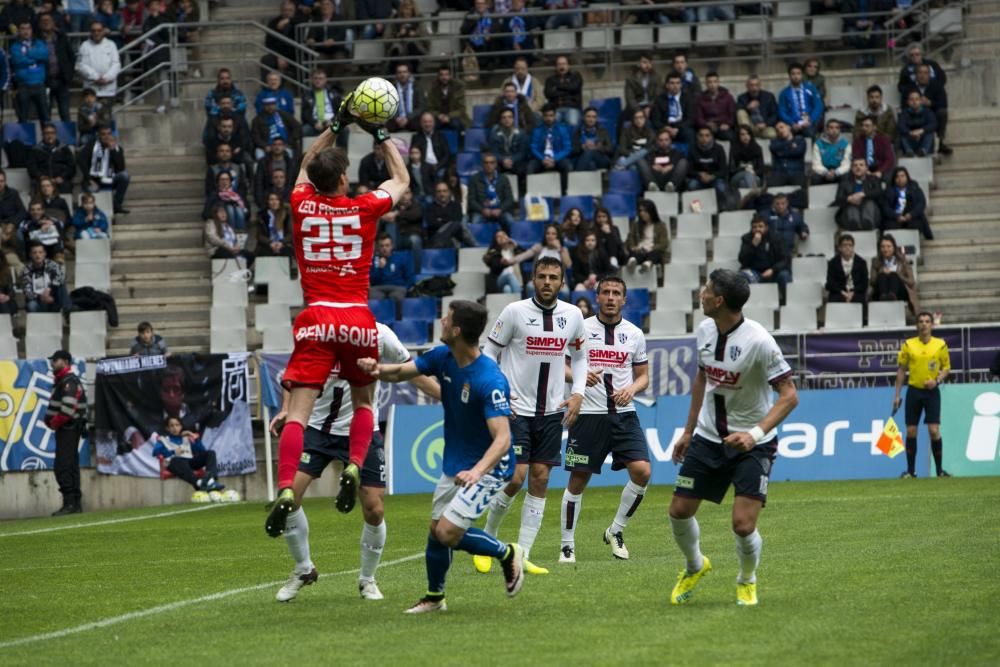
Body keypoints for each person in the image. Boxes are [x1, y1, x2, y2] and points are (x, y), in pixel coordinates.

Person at [265, 97, 410, 536]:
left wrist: (337, 123)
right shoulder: (364, 207)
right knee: (365, 402)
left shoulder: (300, 202)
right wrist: (380, 135)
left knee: (297, 417)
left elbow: (308, 161)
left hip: (315, 318)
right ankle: (354, 464)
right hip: (356, 318)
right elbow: (401, 179)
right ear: (344, 178)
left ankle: (288, 487)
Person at [359, 300, 528, 613]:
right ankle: (435, 598)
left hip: (489, 467)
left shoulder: (488, 379)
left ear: (457, 329)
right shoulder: (443, 356)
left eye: (447, 317)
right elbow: (401, 372)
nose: (441, 320)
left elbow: (503, 439)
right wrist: (377, 369)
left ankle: (506, 553)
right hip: (456, 463)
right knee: (436, 529)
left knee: (448, 532)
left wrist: (477, 471)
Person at [270, 322, 440, 603]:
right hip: (317, 429)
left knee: (374, 509)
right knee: (288, 498)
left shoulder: (379, 333)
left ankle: (367, 579)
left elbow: (410, 370)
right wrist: (287, 410)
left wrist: (448, 398)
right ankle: (303, 568)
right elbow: (293, 376)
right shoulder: (315, 332)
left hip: (362, 431)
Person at [668, 268, 798, 607]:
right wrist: (688, 431)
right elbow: (701, 380)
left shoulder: (759, 341)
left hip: (753, 444)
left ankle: (746, 579)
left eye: (708, 288)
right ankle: (696, 565)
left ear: (719, 300)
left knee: (742, 525)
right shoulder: (704, 331)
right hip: (709, 437)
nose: (702, 292)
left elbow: (789, 396)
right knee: (678, 511)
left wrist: (754, 435)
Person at [476, 257, 588, 575]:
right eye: (542, 277)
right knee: (515, 477)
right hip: (516, 409)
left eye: (554, 277)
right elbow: (489, 353)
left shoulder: (573, 315)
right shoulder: (514, 312)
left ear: (562, 281)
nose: (548, 282)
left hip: (552, 411)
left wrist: (577, 393)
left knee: (541, 478)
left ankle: (521, 554)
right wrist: (497, 393)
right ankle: (487, 540)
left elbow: (580, 358)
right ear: (532, 279)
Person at [559, 275, 649, 563]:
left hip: (623, 415)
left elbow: (644, 376)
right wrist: (580, 377)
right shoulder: (580, 328)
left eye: (616, 293)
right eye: (606, 292)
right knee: (578, 481)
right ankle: (567, 545)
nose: (611, 297)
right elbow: (560, 365)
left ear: (624, 299)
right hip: (587, 415)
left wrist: (632, 389)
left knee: (642, 472)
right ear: (597, 297)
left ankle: (615, 530)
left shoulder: (635, 334)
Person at [893, 312, 951, 478]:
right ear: (917, 325)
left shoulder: (940, 345)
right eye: (921, 321)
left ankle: (939, 471)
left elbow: (946, 368)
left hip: (932, 392)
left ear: (932, 325)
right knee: (911, 431)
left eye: (927, 321)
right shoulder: (909, 345)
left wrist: (937, 380)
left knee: (933, 430)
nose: (924, 324)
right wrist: (897, 395)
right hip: (914, 391)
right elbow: (902, 369)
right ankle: (911, 472)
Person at [44, 349, 88, 516]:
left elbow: (67, 410)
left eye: (55, 360)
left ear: (65, 362)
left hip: (68, 428)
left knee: (62, 466)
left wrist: (54, 423)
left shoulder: (68, 382)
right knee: (70, 465)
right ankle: (74, 503)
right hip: (70, 428)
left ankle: (70, 503)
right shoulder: (65, 380)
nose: (52, 363)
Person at [152, 416, 224, 491]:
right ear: (167, 428)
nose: (175, 428)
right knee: (176, 460)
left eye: (177, 425)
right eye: (172, 425)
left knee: (210, 453)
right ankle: (199, 483)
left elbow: (201, 451)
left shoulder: (186, 438)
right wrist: (173, 452)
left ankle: (210, 480)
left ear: (181, 427)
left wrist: (194, 437)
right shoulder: (163, 440)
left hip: (189, 463)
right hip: (174, 463)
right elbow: (155, 452)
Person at [78, 125, 130, 214]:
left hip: (110, 178)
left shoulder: (117, 148)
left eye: (109, 134)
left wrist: (113, 150)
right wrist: (89, 179)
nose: (106, 136)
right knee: (91, 190)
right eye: (103, 134)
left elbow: (121, 168)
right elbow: (81, 160)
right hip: (93, 179)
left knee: (124, 176)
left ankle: (116, 205)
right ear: (99, 135)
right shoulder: (91, 146)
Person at [527, 104, 573, 195]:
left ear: (555, 116)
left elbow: (567, 148)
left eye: (551, 115)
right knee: (530, 168)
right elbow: (533, 147)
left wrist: (554, 159)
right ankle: (532, 194)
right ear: (543, 117)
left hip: (557, 158)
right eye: (546, 116)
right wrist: (543, 159)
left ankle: (564, 192)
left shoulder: (562, 129)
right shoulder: (537, 130)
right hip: (541, 158)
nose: (549, 118)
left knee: (568, 166)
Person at [10, 20, 50, 123]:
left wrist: (28, 53)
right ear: (19, 31)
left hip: (39, 84)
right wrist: (36, 57)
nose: (26, 31)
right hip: (23, 85)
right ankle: (24, 139)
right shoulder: (15, 46)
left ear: (32, 30)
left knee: (45, 117)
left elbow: (45, 55)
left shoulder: (39, 43)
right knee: (23, 118)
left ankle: (47, 137)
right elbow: (18, 61)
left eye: (28, 28)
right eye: (23, 29)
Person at [38, 12, 74, 122]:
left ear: (53, 23)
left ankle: (68, 138)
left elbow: (71, 57)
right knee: (45, 113)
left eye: (48, 20)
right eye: (43, 21)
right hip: (45, 82)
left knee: (65, 113)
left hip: (61, 80)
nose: (46, 23)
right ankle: (47, 138)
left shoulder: (62, 37)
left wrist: (68, 75)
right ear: (39, 24)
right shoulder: (36, 40)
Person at [869, 234, 918, 313]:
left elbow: (911, 282)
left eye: (888, 246)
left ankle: (892, 295)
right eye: (883, 246)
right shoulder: (876, 261)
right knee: (882, 275)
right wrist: (881, 272)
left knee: (893, 275)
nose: (885, 249)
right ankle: (884, 297)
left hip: (900, 292)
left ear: (894, 248)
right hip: (880, 293)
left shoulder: (903, 261)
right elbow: (872, 281)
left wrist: (898, 275)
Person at [739, 215, 790, 291]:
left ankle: (782, 300)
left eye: (760, 226)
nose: (757, 229)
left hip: (774, 271)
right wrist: (753, 245)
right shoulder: (747, 238)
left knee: (784, 275)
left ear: (766, 227)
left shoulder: (776, 237)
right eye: (754, 227)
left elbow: (785, 259)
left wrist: (773, 269)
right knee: (741, 276)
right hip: (755, 272)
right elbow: (742, 260)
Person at [468, 152, 516, 231]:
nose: (489, 165)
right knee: (475, 222)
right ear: (482, 165)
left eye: (491, 162)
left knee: (510, 220)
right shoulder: (474, 179)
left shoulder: (503, 179)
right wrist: (482, 210)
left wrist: (500, 209)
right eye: (486, 163)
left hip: (500, 210)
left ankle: (511, 242)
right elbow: (471, 200)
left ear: (496, 164)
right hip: (481, 211)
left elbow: (509, 199)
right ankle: (476, 243)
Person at [75, 21, 120, 104]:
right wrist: (95, 77)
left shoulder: (111, 44)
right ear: (90, 32)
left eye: (99, 30)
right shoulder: (85, 45)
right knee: (90, 116)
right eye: (94, 31)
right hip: (90, 90)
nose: (96, 33)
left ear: (103, 31)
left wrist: (106, 78)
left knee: (106, 115)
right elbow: (80, 65)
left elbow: (116, 64)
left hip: (108, 89)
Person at [881, 167, 931, 240]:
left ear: (907, 177)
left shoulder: (914, 187)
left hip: (911, 216)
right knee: (889, 226)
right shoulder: (889, 190)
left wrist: (911, 214)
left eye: (902, 176)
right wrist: (896, 216)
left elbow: (921, 203)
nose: (900, 179)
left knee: (916, 224)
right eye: (897, 176)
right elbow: (885, 207)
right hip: (894, 218)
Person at [425, 181, 476, 249]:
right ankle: (474, 246)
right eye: (439, 191)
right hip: (436, 236)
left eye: (444, 191)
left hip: (451, 237)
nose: (442, 194)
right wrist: (449, 222)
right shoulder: (430, 207)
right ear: (435, 193)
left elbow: (457, 220)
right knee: (455, 229)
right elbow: (432, 224)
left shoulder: (456, 205)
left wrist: (441, 219)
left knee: (455, 231)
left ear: (449, 192)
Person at [835, 158, 883, 231]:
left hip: (871, 212)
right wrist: (849, 198)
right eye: (855, 165)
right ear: (851, 168)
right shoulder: (845, 182)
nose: (858, 167)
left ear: (866, 168)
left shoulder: (873, 179)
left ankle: (867, 223)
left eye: (861, 165)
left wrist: (864, 194)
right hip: (850, 212)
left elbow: (879, 192)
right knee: (851, 206)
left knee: (869, 203)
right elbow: (838, 199)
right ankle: (854, 224)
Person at [777, 63, 823, 138]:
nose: (796, 76)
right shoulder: (784, 93)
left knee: (809, 132)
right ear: (789, 76)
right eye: (793, 74)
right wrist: (792, 123)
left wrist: (810, 120)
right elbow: (782, 111)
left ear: (802, 75)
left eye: (798, 73)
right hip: (793, 124)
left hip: (809, 122)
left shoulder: (811, 88)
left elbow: (818, 106)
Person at [369, 233, 413, 312]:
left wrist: (405, 287)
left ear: (392, 246)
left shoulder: (401, 258)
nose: (384, 248)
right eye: (381, 246)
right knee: (374, 297)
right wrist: (379, 268)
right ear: (378, 247)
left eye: (387, 245)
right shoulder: (374, 260)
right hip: (379, 287)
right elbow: (372, 281)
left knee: (397, 296)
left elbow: (409, 276)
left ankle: (398, 322)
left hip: (397, 287)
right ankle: (375, 322)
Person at [28, 124, 76, 194]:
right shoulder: (36, 150)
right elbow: (31, 167)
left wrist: (62, 177)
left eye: (52, 133)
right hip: (42, 181)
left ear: (56, 134)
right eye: (47, 133)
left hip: (60, 181)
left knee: (66, 187)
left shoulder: (64, 149)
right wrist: (40, 176)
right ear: (43, 135)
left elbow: (71, 166)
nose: (50, 136)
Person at [651, 72, 696, 147]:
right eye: (672, 83)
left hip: (681, 128)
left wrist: (678, 128)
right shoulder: (659, 99)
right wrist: (666, 128)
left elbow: (690, 119)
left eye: (678, 83)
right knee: (655, 135)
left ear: (681, 85)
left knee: (690, 133)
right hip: (665, 127)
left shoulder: (688, 98)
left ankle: (691, 157)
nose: (675, 86)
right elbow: (655, 120)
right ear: (667, 85)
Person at [625, 199, 670, 274]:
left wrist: (651, 248)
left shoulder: (661, 225)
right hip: (640, 250)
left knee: (656, 254)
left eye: (645, 211)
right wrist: (633, 247)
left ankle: (647, 264)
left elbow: (664, 243)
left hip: (652, 250)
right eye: (640, 211)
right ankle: (632, 262)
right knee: (637, 254)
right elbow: (630, 237)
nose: (642, 213)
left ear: (651, 212)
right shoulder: (636, 224)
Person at [251, 96, 302, 161]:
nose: (270, 107)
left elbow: (297, 127)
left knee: (289, 154)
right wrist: (264, 146)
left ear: (276, 105)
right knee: (259, 153)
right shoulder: (257, 120)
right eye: (268, 105)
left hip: (284, 145)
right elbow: (255, 137)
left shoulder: (283, 115)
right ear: (264, 106)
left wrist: (288, 143)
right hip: (267, 146)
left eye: (272, 104)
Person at [20, 241, 67, 312]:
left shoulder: (52, 265)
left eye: (40, 252)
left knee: (62, 288)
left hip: (52, 297)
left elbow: (61, 278)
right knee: (31, 305)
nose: (37, 255)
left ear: (45, 254)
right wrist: (41, 297)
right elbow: (27, 291)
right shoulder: (26, 270)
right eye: (34, 253)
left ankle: (68, 310)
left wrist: (49, 290)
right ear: (30, 255)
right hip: (37, 300)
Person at [386, 0, 429, 73]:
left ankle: (415, 71)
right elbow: (386, 38)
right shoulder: (395, 19)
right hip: (398, 45)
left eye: (409, 9)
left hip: (416, 45)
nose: (407, 12)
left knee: (411, 45)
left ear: (413, 9)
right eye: (405, 8)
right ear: (401, 9)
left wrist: (416, 34)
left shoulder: (419, 19)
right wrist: (397, 34)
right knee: (396, 48)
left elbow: (427, 40)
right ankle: (392, 72)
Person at [483, 228, 530, 295]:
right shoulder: (494, 252)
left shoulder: (515, 250)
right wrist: (504, 263)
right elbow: (495, 265)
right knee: (509, 275)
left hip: (517, 283)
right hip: (500, 281)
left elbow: (528, 258)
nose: (502, 237)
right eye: (498, 236)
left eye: (504, 235)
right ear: (495, 240)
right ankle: (519, 299)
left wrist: (516, 246)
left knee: (507, 289)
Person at [825, 233, 868, 304]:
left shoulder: (861, 262)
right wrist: (843, 293)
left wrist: (852, 293)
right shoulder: (833, 263)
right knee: (835, 299)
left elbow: (864, 283)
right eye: (844, 245)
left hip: (856, 292)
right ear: (839, 248)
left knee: (860, 299)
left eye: (850, 245)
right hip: (839, 292)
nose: (847, 247)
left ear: (853, 247)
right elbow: (830, 282)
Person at [425, 65, 470, 132]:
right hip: (439, 117)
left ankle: (460, 142)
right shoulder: (433, 88)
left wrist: (449, 116)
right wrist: (439, 115)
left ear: (450, 76)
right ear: (438, 76)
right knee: (430, 125)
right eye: (442, 75)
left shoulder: (458, 87)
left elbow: (461, 109)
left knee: (456, 124)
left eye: (446, 75)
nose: (444, 77)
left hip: (454, 117)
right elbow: (430, 108)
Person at [762, 193, 808, 258]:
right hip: (771, 251)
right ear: (773, 204)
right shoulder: (765, 215)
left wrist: (804, 231)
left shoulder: (795, 216)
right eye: (777, 204)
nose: (780, 206)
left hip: (788, 251)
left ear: (787, 203)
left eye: (783, 203)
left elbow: (802, 226)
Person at [411, 112, 452, 182]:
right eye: (425, 122)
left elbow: (446, 155)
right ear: (421, 123)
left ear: (434, 123)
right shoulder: (416, 138)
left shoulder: (441, 136)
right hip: (423, 168)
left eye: (430, 122)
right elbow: (413, 154)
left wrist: (437, 166)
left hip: (438, 166)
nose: (427, 124)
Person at [695, 72, 736, 142]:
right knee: (701, 137)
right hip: (707, 126)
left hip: (723, 126)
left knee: (732, 137)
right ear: (706, 84)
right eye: (710, 82)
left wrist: (728, 124)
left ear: (718, 83)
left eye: (715, 82)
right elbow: (698, 117)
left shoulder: (727, 97)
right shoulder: (700, 99)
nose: (712, 85)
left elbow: (733, 114)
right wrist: (706, 124)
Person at [544, 55, 583, 128]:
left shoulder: (576, 76)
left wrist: (557, 87)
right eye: (559, 64)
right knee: (552, 126)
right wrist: (567, 89)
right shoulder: (550, 79)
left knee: (572, 124)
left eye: (564, 64)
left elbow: (574, 88)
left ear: (568, 66)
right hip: (556, 109)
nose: (562, 66)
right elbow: (548, 93)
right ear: (556, 67)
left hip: (572, 107)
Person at [687, 126, 728, 196]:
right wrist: (699, 174)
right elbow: (689, 170)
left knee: (721, 188)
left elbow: (724, 170)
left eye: (707, 135)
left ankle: (721, 207)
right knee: (692, 186)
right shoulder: (692, 148)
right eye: (701, 135)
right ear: (697, 137)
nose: (704, 138)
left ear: (712, 137)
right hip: (698, 179)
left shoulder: (719, 149)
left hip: (715, 178)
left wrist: (712, 176)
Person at [852, 116, 895, 182]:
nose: (864, 128)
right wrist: (865, 170)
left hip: (881, 167)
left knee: (889, 175)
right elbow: (857, 157)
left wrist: (880, 171)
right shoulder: (858, 141)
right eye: (863, 126)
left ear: (874, 127)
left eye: (867, 126)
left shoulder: (884, 140)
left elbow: (889, 159)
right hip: (864, 168)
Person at [736, 74, 778, 140]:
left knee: (773, 134)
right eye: (751, 85)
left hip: (764, 126)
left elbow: (774, 114)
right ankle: (747, 134)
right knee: (741, 112)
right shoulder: (742, 98)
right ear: (747, 86)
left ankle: (753, 135)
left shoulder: (769, 96)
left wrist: (765, 124)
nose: (754, 88)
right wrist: (748, 108)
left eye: (756, 85)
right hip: (750, 126)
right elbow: (738, 113)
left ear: (760, 86)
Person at [897, 90, 937, 157]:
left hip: (923, 139)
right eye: (911, 99)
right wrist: (911, 133)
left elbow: (933, 124)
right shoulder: (904, 113)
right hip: (911, 139)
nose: (914, 102)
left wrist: (921, 130)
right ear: (908, 102)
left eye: (917, 99)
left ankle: (923, 151)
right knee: (903, 134)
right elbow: (901, 126)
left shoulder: (928, 112)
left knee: (930, 133)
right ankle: (909, 151)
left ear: (921, 101)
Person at [811, 119, 852, 185]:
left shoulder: (846, 144)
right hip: (823, 170)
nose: (834, 130)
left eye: (837, 128)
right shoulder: (818, 144)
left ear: (839, 130)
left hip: (839, 170)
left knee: (846, 176)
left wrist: (836, 172)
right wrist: (826, 172)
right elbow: (816, 164)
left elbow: (846, 164)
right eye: (831, 127)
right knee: (815, 178)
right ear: (826, 130)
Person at [573, 107, 614, 172]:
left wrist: (598, 148)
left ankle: (575, 177)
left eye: (594, 117)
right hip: (585, 159)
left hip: (601, 159)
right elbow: (574, 149)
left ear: (596, 119)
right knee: (591, 165)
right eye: (588, 116)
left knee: (590, 151)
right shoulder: (578, 132)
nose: (591, 119)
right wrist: (582, 147)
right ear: (584, 117)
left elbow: (610, 149)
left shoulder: (603, 131)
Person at [768, 121, 807, 189]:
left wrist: (781, 152)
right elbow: (773, 148)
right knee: (771, 189)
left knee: (800, 191)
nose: (780, 130)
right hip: (779, 173)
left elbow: (798, 152)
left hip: (796, 172)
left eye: (781, 127)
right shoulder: (774, 142)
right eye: (777, 130)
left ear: (788, 127)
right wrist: (790, 145)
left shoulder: (800, 140)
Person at [387, 63, 424, 133]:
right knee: (380, 131)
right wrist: (397, 118)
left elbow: (421, 107)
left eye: (405, 72)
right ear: (396, 75)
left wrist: (407, 118)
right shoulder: (391, 88)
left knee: (423, 125)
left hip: (412, 119)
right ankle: (382, 144)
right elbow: (388, 107)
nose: (402, 75)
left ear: (409, 73)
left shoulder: (417, 87)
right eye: (399, 72)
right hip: (396, 120)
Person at [256, 191, 294, 258]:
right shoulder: (261, 215)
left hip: (284, 243)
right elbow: (259, 235)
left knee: (287, 251)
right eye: (271, 200)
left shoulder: (287, 215)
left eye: (277, 199)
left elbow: (291, 234)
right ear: (267, 202)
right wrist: (270, 243)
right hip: (268, 244)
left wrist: (282, 242)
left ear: (280, 201)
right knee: (264, 252)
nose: (274, 202)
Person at [624, 54, 658, 123]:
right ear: (639, 64)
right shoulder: (631, 79)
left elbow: (658, 95)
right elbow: (630, 98)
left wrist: (649, 107)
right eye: (644, 62)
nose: (647, 65)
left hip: (651, 106)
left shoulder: (656, 77)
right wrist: (639, 111)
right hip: (636, 107)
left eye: (649, 62)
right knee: (622, 117)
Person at [729, 125, 764, 190]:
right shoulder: (734, 149)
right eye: (742, 134)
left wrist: (754, 172)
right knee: (747, 174)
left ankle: (750, 197)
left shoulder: (757, 148)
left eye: (748, 134)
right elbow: (732, 169)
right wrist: (744, 169)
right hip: (737, 176)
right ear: (738, 136)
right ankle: (755, 196)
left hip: (754, 176)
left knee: (743, 183)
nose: (746, 136)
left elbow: (761, 168)